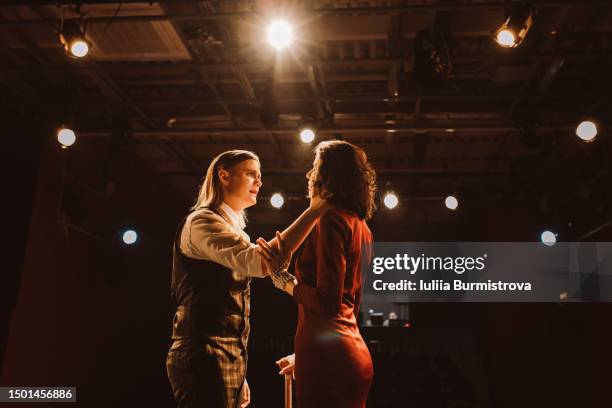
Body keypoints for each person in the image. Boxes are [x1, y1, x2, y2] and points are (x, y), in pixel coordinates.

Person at [166, 150, 328, 408]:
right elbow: (261, 262)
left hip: (224, 357)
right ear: (224, 176)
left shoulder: (233, 230)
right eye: (251, 174)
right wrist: (313, 211)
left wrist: (238, 372)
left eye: (260, 176)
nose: (259, 182)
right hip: (203, 355)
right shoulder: (201, 222)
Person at [258, 141, 377, 408]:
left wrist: (283, 281)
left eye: (315, 167)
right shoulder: (362, 227)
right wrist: (304, 356)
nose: (309, 175)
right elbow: (350, 307)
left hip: (328, 361)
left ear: (328, 178)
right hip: (350, 353)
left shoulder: (330, 221)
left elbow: (328, 302)